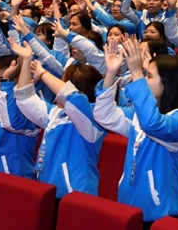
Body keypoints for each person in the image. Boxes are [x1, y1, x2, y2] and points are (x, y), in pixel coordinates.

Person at [93, 37, 178, 223]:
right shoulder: (141, 114)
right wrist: (110, 72)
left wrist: (135, 72)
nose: (143, 80)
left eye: (148, 76)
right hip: (129, 207)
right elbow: (103, 115)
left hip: (159, 214)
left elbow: (152, 124)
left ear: (168, 83)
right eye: (145, 75)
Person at [6, 38, 106, 198]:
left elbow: (71, 96)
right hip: (47, 190)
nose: (56, 85)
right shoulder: (56, 113)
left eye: (62, 80)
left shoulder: (93, 117)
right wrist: (26, 61)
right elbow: (25, 99)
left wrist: (44, 73)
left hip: (76, 195)